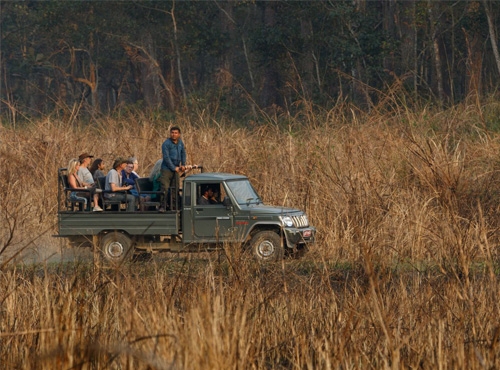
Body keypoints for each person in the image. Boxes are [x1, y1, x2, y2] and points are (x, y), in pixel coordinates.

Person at [160, 126, 186, 208]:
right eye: (172, 133)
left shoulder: (180, 143)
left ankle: (174, 206)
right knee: (165, 188)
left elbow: (183, 153)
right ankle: (163, 206)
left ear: (179, 134)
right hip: (166, 169)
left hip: (176, 169)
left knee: (175, 188)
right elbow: (166, 158)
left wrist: (183, 164)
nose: (174, 135)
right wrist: (173, 168)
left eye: (175, 133)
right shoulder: (166, 144)